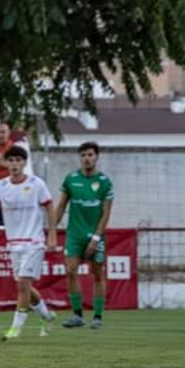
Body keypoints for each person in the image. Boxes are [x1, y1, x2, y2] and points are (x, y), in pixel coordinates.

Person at [0, 145, 58, 340]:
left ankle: (15, 329)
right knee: (24, 286)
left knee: (23, 284)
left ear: (24, 163)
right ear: (6, 163)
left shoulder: (37, 184)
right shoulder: (1, 185)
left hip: (34, 241)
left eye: (18, 160)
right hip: (14, 242)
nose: (15, 164)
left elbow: (50, 208)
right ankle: (47, 316)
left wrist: (52, 235)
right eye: (11, 160)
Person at [50, 141, 114, 330]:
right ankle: (77, 315)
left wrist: (96, 238)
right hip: (75, 234)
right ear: (80, 158)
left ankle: (97, 316)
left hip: (95, 235)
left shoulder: (105, 182)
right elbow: (61, 205)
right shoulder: (71, 179)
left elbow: (106, 213)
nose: (87, 158)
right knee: (70, 270)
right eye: (83, 155)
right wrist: (52, 228)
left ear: (96, 157)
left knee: (97, 274)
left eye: (90, 155)